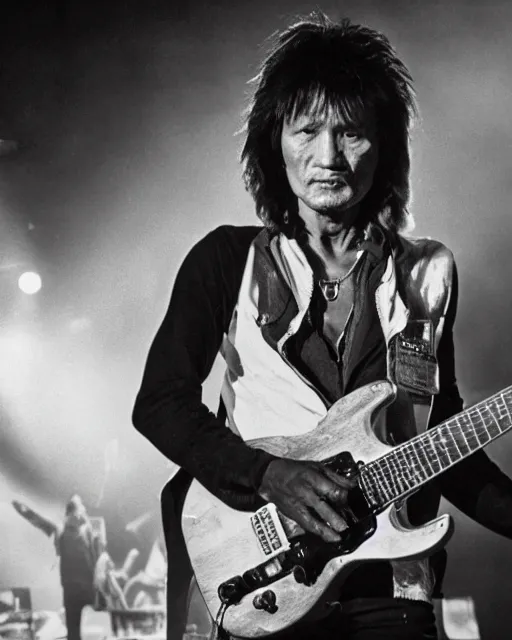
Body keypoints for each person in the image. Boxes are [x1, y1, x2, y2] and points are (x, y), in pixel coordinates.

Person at [132, 12, 512, 640]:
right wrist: (266, 475)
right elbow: (161, 403)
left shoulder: (428, 273)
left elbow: (439, 443)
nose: (329, 157)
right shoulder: (228, 260)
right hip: (267, 577)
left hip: (393, 589)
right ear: (273, 141)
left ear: (384, 144)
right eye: (307, 130)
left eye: (352, 133)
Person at [13, 495, 100, 640]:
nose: (84, 511)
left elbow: (95, 558)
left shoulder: (88, 531)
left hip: (86, 586)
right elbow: (39, 521)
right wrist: (24, 511)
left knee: (89, 627)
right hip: (72, 586)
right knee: (74, 627)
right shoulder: (61, 529)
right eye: (81, 507)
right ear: (73, 511)